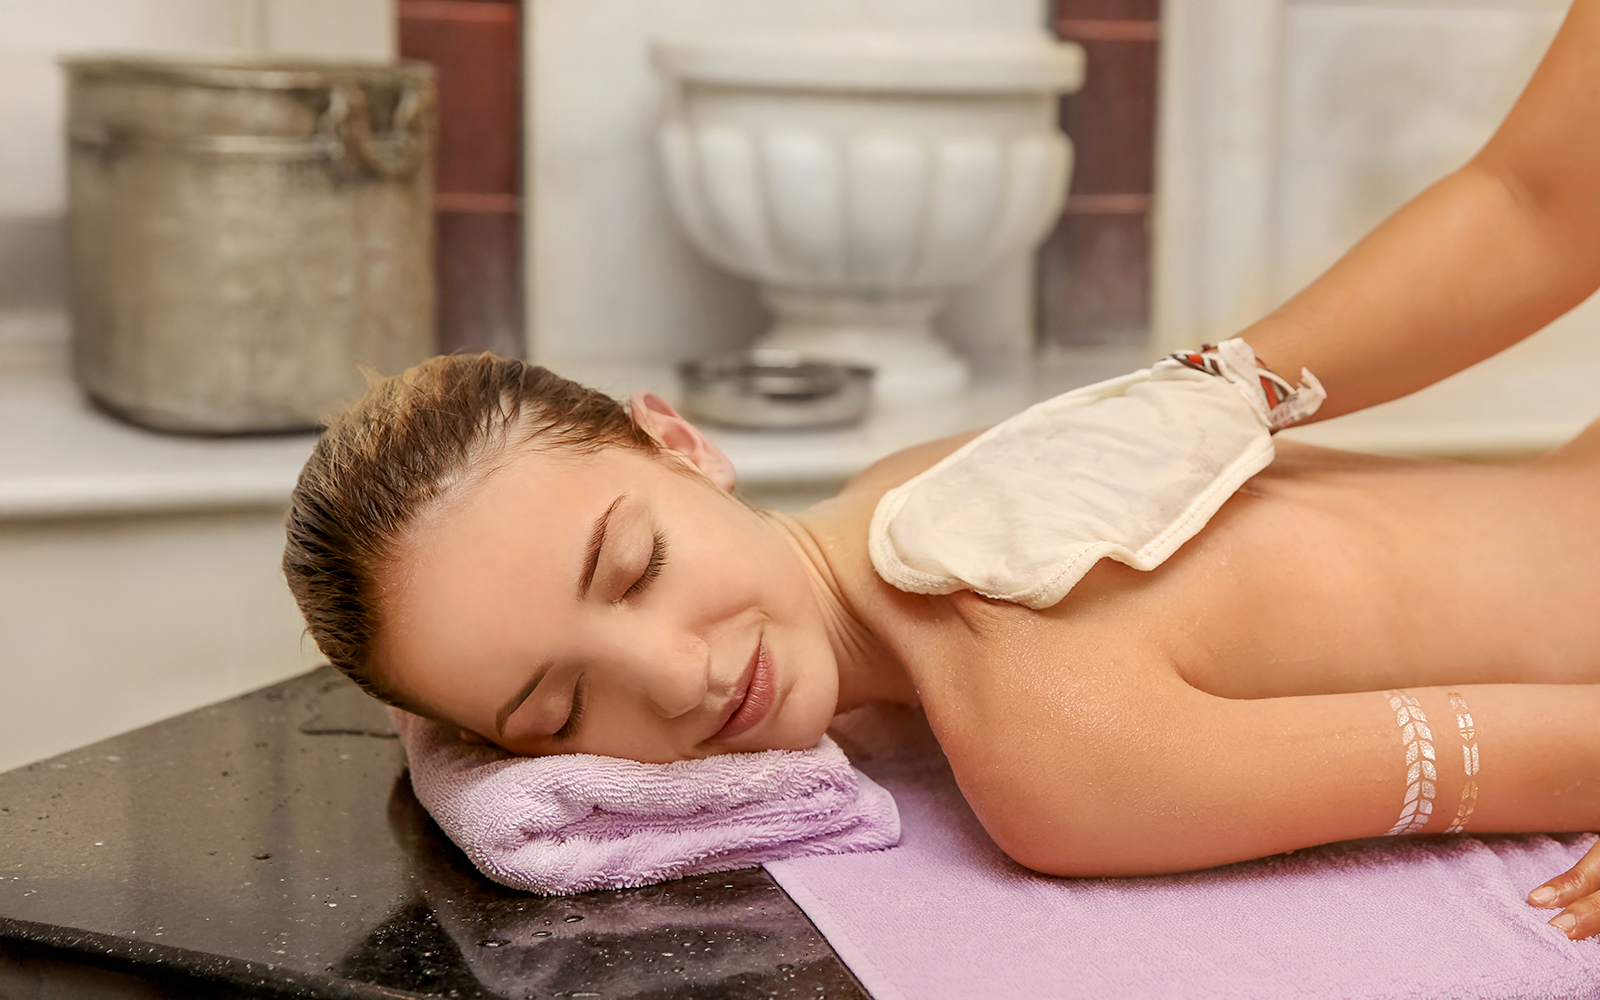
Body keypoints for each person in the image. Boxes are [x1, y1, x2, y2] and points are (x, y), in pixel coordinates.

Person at [283, 0, 1600, 939]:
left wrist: (1230, 386)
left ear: (683, 443)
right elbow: (1541, 199)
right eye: (558, 716)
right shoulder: (913, 497)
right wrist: (1229, 386)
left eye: (637, 570)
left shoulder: (1050, 760)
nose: (676, 677)